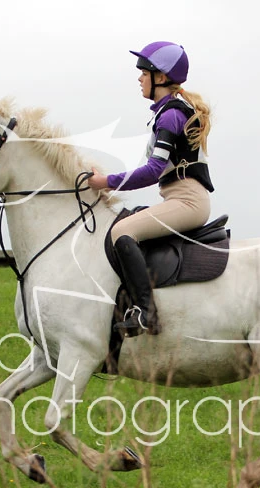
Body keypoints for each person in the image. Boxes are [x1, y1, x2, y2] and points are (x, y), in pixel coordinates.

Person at [88, 41, 215, 337]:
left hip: (188, 202)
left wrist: (105, 182)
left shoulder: (171, 115)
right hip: (180, 199)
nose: (139, 78)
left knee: (122, 231)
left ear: (161, 77)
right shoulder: (168, 112)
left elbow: (154, 170)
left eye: (144, 73)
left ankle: (146, 313)